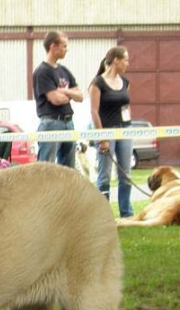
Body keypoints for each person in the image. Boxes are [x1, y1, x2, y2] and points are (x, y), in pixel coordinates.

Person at [89, 46, 133, 218]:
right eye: (126, 60)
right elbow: (94, 111)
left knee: (125, 173)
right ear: (116, 60)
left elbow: (126, 106)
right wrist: (102, 138)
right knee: (105, 175)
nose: (128, 64)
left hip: (126, 130)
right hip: (107, 130)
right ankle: (104, 215)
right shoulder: (97, 83)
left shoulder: (126, 82)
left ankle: (126, 212)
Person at [33, 31, 83, 168]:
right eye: (64, 46)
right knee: (46, 168)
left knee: (68, 169)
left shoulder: (64, 71)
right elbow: (55, 99)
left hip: (68, 122)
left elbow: (80, 96)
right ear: (53, 46)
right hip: (51, 123)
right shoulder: (42, 72)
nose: (66, 50)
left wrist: (65, 91)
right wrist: (70, 94)